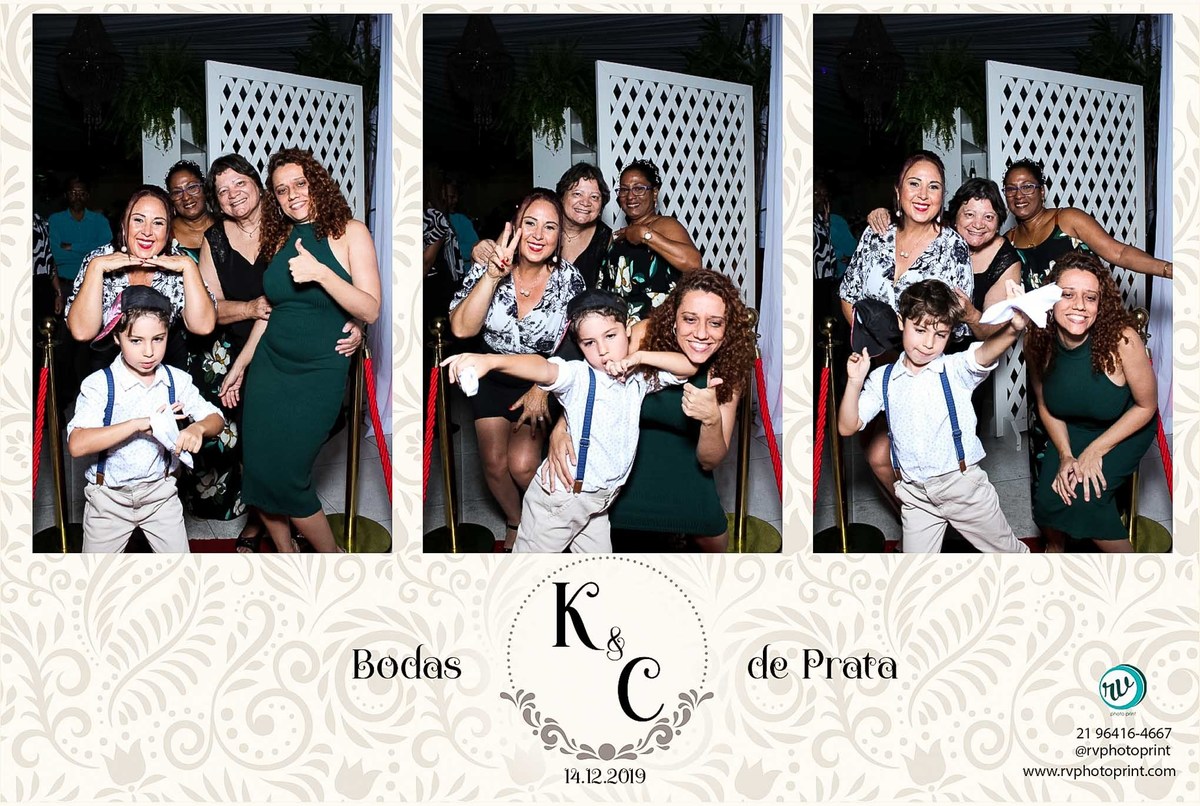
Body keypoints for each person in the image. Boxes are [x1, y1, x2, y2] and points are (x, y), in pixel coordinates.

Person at [443, 290, 696, 553]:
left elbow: (687, 367)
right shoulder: (579, 377)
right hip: (561, 500)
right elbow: (544, 369)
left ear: (628, 329)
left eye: (610, 336)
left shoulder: (638, 378)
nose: (603, 351)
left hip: (599, 503)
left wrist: (639, 357)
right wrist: (491, 361)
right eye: (589, 343)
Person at [219, 148, 381, 554]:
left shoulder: (351, 232)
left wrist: (322, 274)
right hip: (269, 367)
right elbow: (271, 311)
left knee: (289, 477)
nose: (292, 195)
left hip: (319, 371)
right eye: (281, 190)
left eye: (299, 184)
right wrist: (241, 364)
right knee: (259, 470)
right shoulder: (279, 238)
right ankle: (287, 555)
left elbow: (370, 308)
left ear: (317, 184)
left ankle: (334, 559)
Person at [547, 269, 756, 552]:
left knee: (714, 541)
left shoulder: (728, 365)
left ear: (727, 327)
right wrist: (562, 427)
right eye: (690, 319)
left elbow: (710, 461)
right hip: (621, 456)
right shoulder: (645, 334)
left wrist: (711, 420)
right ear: (674, 319)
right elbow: (593, 376)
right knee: (593, 531)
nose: (701, 333)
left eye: (715, 323)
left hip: (686, 462)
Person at [838, 279, 1030, 554]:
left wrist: (1013, 328)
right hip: (915, 496)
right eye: (919, 330)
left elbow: (985, 353)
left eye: (940, 334)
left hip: (962, 488)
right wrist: (855, 382)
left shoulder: (954, 369)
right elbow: (847, 427)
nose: (928, 344)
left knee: (1010, 555)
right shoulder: (884, 379)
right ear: (901, 321)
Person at [449, 188, 586, 551]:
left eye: (550, 227)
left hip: (537, 378)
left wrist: (543, 388)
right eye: (530, 223)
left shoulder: (569, 280)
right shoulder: (489, 266)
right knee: (495, 465)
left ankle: (558, 523)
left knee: (523, 464)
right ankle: (517, 520)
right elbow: (461, 329)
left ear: (560, 236)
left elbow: (578, 344)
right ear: (515, 227)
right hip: (491, 373)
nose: (539, 235)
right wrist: (492, 275)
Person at [840, 151, 973, 512]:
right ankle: (916, 522)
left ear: (943, 197)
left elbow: (957, 325)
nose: (923, 194)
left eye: (934, 186)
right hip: (876, 366)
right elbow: (849, 295)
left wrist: (912, 352)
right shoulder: (876, 234)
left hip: (924, 373)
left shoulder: (953, 248)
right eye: (914, 184)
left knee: (896, 459)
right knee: (877, 458)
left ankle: (929, 525)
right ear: (898, 191)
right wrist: (876, 343)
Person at [66, 286, 225, 553]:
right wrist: (139, 424)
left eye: (158, 339)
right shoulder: (100, 384)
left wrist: (198, 428)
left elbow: (216, 418)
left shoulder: (175, 380)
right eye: (136, 341)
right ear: (117, 337)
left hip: (160, 495)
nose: (149, 352)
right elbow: (77, 444)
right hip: (109, 499)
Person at [1023, 251, 1157, 553]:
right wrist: (1066, 455)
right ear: (1050, 299)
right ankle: (1055, 550)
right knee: (1048, 498)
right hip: (1072, 426)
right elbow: (1045, 405)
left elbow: (1146, 406)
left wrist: (1095, 451)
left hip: (1124, 425)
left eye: (1090, 297)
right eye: (1067, 294)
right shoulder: (1036, 339)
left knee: (1087, 497)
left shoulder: (1122, 341)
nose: (1079, 305)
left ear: (1101, 304)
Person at [65, 185, 216, 373]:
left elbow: (203, 326)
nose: (147, 231)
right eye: (138, 220)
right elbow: (81, 332)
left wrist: (189, 267)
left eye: (158, 223)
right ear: (124, 224)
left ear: (169, 231)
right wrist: (96, 268)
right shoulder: (98, 260)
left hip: (164, 369)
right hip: (107, 369)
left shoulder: (179, 263)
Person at [868, 177, 1021, 341]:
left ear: (998, 222)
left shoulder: (1006, 260)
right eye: (969, 214)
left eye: (988, 217)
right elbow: (907, 220)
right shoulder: (938, 229)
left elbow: (994, 331)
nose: (978, 224)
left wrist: (971, 315)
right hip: (909, 337)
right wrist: (883, 214)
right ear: (955, 217)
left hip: (968, 350)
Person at [1001, 158, 1172, 290]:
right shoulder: (1008, 242)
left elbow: (1119, 253)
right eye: (1011, 189)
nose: (1018, 195)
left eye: (1027, 187)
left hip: (1089, 318)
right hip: (1041, 326)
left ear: (1042, 191)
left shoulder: (1068, 219)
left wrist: (1168, 269)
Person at [598, 158, 702, 321]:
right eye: (624, 190)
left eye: (639, 188)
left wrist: (644, 235)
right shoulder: (619, 236)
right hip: (619, 324)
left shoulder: (665, 225)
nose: (630, 196)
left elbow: (693, 263)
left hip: (656, 324)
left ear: (654, 193)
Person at [49, 175, 112, 286]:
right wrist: (91, 256)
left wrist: (72, 247)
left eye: (82, 193)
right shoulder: (55, 220)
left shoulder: (100, 221)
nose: (77, 197)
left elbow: (106, 251)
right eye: (73, 193)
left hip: (94, 285)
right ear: (66, 195)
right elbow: (56, 256)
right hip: (65, 285)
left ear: (88, 196)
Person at [165, 160, 215, 263]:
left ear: (204, 188)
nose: (186, 197)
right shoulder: (165, 234)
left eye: (192, 187)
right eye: (177, 192)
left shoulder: (227, 226)